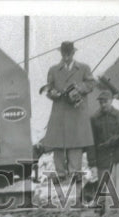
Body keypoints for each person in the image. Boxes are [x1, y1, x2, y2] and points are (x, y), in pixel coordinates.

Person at [43, 42, 94, 186]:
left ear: (73, 53)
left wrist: (78, 89)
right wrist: (52, 93)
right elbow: (48, 89)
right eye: (64, 54)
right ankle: (60, 173)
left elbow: (91, 84)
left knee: (75, 144)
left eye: (68, 54)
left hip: (76, 111)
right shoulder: (53, 70)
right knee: (57, 144)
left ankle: (75, 173)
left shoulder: (84, 68)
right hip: (59, 111)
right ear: (61, 54)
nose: (66, 57)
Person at [88, 90, 119, 181]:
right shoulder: (94, 118)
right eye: (101, 102)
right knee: (103, 190)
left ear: (111, 100)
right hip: (102, 162)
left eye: (105, 102)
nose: (103, 104)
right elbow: (91, 143)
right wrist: (92, 164)